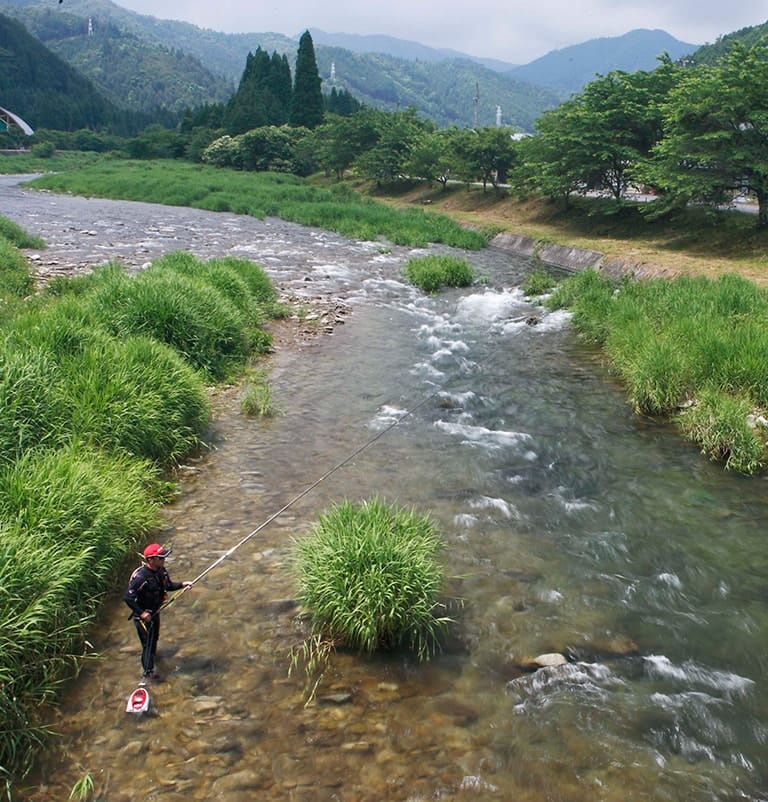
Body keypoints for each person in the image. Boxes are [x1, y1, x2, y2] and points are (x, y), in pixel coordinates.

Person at [124, 543, 192, 681]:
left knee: (154, 639)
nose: (164, 560)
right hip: (143, 618)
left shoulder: (161, 571)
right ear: (151, 560)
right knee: (147, 645)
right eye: (161, 558)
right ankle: (148, 673)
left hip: (155, 612)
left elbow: (168, 586)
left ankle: (153, 659)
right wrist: (142, 613)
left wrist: (182, 584)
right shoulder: (141, 578)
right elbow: (128, 598)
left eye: (164, 557)